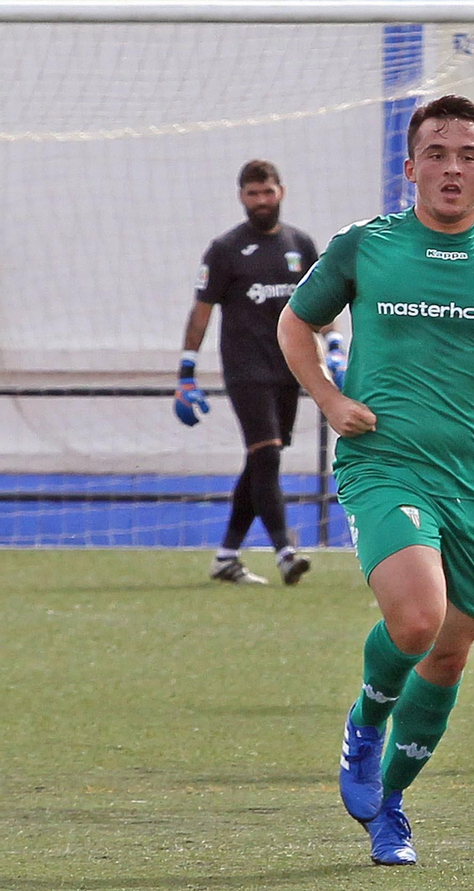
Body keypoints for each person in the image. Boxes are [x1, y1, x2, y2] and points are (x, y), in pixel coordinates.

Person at [277, 95, 474, 865]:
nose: (452, 168)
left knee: (450, 654)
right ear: (410, 167)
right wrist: (329, 399)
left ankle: (390, 806)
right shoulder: (367, 245)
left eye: (467, 156)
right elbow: (295, 322)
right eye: (437, 154)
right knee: (418, 620)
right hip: (386, 464)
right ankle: (366, 721)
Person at [178, 159, 326, 586]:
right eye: (253, 194)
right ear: (241, 197)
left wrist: (333, 345)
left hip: (289, 367)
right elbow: (202, 310)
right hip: (245, 370)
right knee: (268, 455)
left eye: (267, 192)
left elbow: (321, 302)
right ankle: (285, 551)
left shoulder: (300, 244)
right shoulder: (225, 250)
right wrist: (186, 370)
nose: (261, 200)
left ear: (281, 192)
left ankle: (226, 556)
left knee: (261, 459)